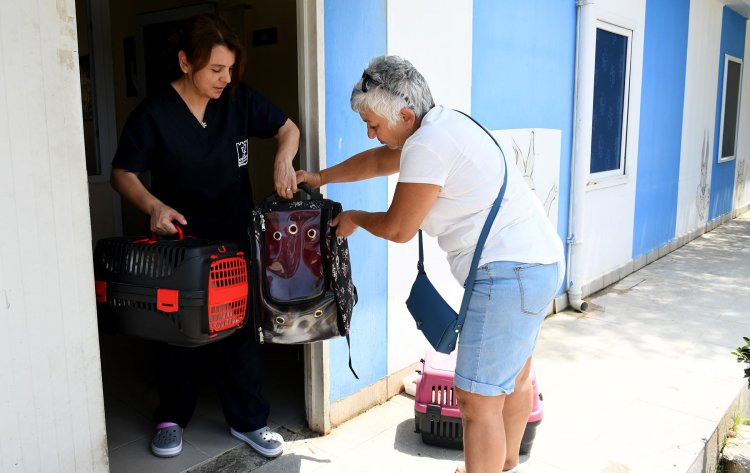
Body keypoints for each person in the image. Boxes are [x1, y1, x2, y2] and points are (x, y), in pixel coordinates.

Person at [295, 55, 564, 473]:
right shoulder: (442, 126)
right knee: (513, 377)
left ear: (404, 115)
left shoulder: (426, 144)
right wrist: (318, 177)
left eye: (374, 124)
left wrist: (355, 219)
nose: (370, 132)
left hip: (509, 273)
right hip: (538, 262)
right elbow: (377, 161)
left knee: (477, 400)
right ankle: (505, 460)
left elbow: (400, 228)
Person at [110, 13, 299, 459]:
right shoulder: (155, 114)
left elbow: (287, 128)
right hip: (179, 244)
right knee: (178, 333)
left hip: (234, 236)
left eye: (229, 68)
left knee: (240, 330)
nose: (225, 78)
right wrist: (153, 206)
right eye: (216, 69)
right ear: (185, 62)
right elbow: (122, 173)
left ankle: (249, 420)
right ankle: (171, 417)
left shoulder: (237, 99)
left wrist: (282, 160)